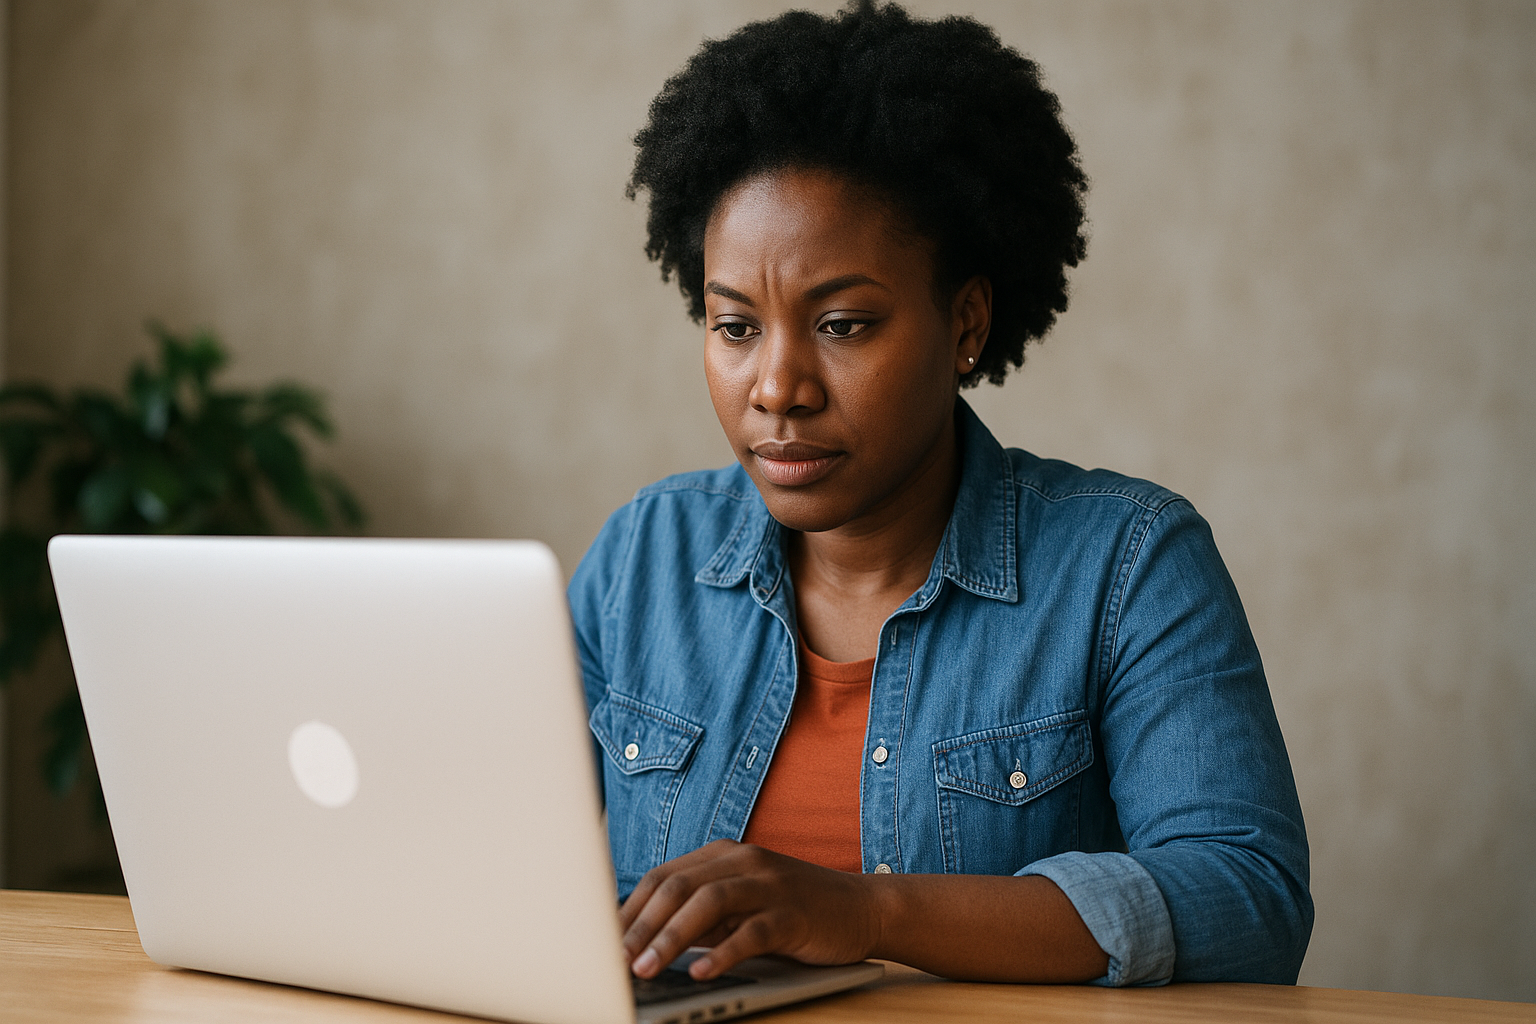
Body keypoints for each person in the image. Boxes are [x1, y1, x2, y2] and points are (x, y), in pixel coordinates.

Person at [568, 0, 1311, 988]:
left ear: (964, 322)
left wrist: (867, 910)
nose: (777, 386)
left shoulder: (1128, 564)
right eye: (735, 325)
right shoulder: (641, 558)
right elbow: (491, 856)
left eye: (841, 323)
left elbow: (1246, 894)